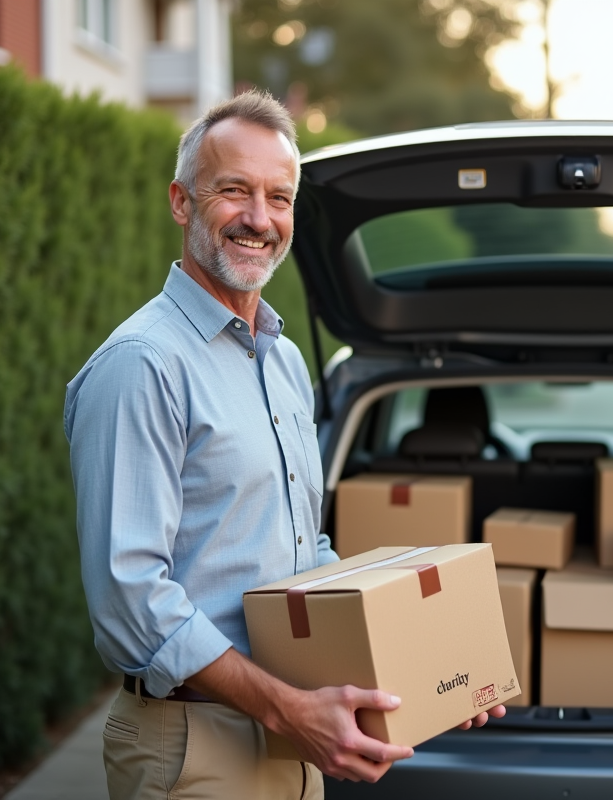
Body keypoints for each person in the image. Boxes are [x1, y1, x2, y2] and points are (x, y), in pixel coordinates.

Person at [64, 90, 504, 800]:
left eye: (279, 196)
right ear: (182, 202)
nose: (259, 219)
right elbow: (130, 600)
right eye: (233, 190)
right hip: (194, 746)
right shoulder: (142, 364)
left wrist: (428, 670)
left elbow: (306, 560)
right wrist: (288, 709)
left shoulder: (284, 360)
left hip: (292, 746)